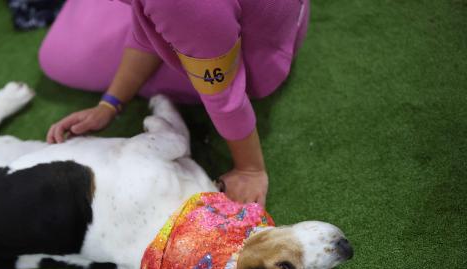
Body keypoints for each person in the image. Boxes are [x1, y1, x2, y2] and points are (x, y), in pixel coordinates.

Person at [39, 0, 310, 206]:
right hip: (282, 19)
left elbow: (224, 96)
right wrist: (110, 103)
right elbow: (147, 27)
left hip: (264, 54)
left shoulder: (179, 7)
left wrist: (250, 170)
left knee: (56, 56)